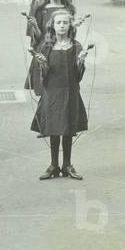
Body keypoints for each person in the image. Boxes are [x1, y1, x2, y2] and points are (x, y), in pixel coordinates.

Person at [31, 11, 90, 180]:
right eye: (59, 23)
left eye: (65, 22)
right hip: (53, 93)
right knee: (54, 129)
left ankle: (67, 165)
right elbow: (44, 75)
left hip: (71, 92)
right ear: (53, 25)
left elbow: (78, 75)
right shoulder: (46, 46)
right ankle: (54, 165)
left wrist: (80, 62)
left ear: (70, 26)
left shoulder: (76, 46)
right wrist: (42, 64)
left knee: (68, 129)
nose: (62, 25)